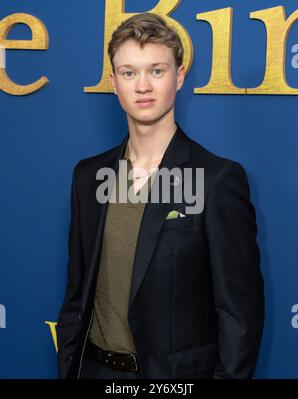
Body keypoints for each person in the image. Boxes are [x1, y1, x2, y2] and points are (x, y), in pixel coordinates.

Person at [56, 13, 264, 379]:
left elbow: (239, 314)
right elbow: (77, 294)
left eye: (156, 71)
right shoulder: (88, 176)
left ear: (179, 77)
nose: (143, 86)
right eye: (129, 72)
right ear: (114, 82)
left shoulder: (216, 179)